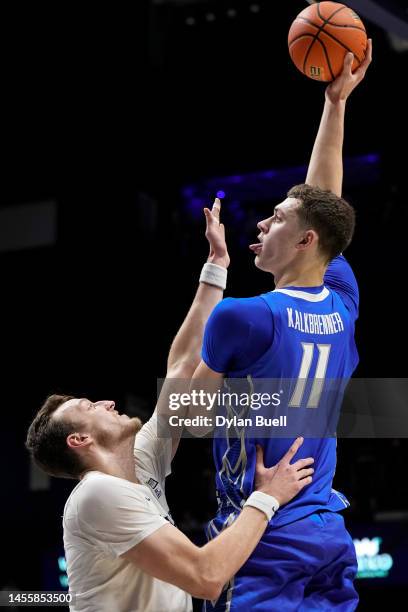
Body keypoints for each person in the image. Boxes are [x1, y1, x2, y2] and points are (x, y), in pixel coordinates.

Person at [25, 200, 315, 612]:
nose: (106, 401)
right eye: (90, 406)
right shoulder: (96, 494)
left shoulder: (139, 462)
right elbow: (206, 577)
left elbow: (181, 367)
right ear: (80, 439)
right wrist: (267, 497)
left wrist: (216, 264)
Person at [191, 43, 372, 611]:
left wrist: (213, 273)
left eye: (276, 219)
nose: (262, 222)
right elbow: (324, 202)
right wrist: (335, 105)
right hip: (325, 527)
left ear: (303, 242)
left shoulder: (243, 314)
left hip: (261, 532)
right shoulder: (342, 299)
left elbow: (188, 415)